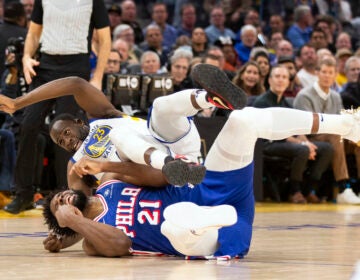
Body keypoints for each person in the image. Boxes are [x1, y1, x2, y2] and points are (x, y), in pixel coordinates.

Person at [40, 72, 360, 258]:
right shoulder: (93, 243)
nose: (63, 198)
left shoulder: (109, 181)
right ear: (66, 219)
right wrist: (73, 223)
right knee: (173, 224)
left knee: (243, 120)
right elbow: (121, 244)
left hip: (206, 184)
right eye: (59, 205)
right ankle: (212, 218)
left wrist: (109, 167)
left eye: (59, 196)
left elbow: (159, 179)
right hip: (211, 236)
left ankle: (346, 125)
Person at [0, 64, 248, 195]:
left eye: (64, 133)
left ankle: (212, 98)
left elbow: (75, 84)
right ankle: (171, 166)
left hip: (176, 147)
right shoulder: (75, 165)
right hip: (153, 174)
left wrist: (18, 103)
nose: (64, 141)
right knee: (120, 137)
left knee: (160, 106)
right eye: (59, 142)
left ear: (79, 122)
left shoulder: (104, 116)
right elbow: (83, 203)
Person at [4, 0, 111, 214]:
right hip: (45, 66)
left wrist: (97, 76)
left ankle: (65, 193)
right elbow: (34, 33)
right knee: (28, 124)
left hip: (76, 66)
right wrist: (26, 57)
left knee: (66, 129)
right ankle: (23, 193)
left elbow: (105, 39)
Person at [253, 66, 333, 203]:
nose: (280, 80)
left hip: (286, 142)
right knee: (302, 150)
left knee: (327, 149)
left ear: (288, 82)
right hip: (266, 144)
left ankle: (308, 189)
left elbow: (297, 129)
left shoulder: (286, 103)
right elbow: (274, 133)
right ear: (270, 80)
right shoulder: (262, 102)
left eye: (284, 77)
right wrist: (302, 144)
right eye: (277, 76)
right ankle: (294, 191)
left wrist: (307, 142)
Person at [294, 57, 360, 204]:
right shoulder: (304, 95)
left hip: (333, 136)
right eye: (324, 72)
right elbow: (304, 126)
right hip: (310, 137)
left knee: (358, 140)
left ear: (335, 74)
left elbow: (342, 123)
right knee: (335, 135)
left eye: (330, 72)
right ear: (317, 73)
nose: (327, 75)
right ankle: (344, 188)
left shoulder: (336, 96)